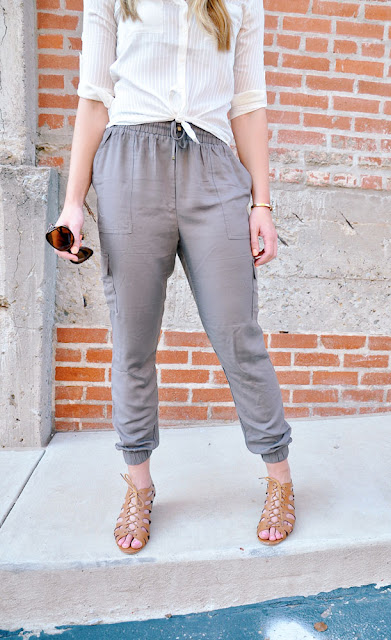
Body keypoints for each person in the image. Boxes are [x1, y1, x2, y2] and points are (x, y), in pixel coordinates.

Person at [54, 0, 295, 553]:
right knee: (133, 342)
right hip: (129, 164)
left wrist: (262, 203)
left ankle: (280, 478)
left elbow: (248, 102)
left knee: (238, 335)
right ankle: (138, 485)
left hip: (214, 167)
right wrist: (73, 203)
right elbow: (94, 97)